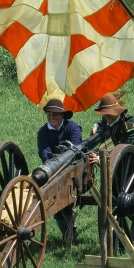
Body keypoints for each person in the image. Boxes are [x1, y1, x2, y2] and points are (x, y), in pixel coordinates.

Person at [89, 93, 134, 244]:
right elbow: (103, 124)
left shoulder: (129, 127)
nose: (107, 117)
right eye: (104, 114)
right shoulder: (109, 119)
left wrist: (100, 159)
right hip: (128, 160)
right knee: (124, 191)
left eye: (109, 114)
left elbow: (122, 150)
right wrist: (96, 126)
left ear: (117, 112)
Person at [36, 99, 83, 242]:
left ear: (62, 115)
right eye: (49, 115)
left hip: (73, 168)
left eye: (55, 114)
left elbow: (75, 146)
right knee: (54, 202)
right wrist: (50, 162)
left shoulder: (73, 128)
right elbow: (44, 151)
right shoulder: (43, 132)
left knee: (65, 201)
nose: (51, 118)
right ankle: (67, 234)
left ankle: (70, 232)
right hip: (51, 168)